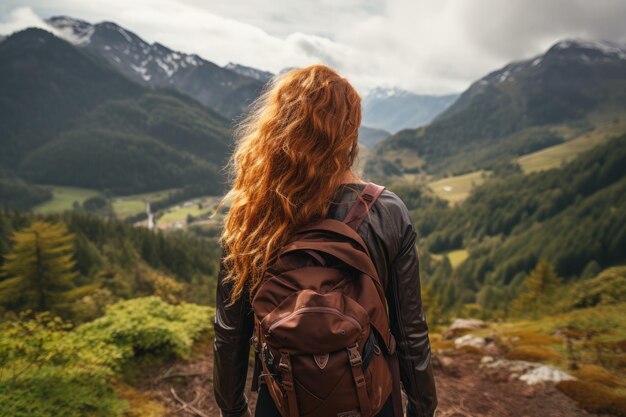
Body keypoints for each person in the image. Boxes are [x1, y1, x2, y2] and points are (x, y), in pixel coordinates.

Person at [212, 64, 437, 417]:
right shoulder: (386, 211)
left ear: (277, 127)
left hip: (282, 399)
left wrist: (233, 409)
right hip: (369, 398)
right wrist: (423, 408)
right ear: (348, 134)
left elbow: (229, 333)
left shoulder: (251, 214)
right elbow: (410, 331)